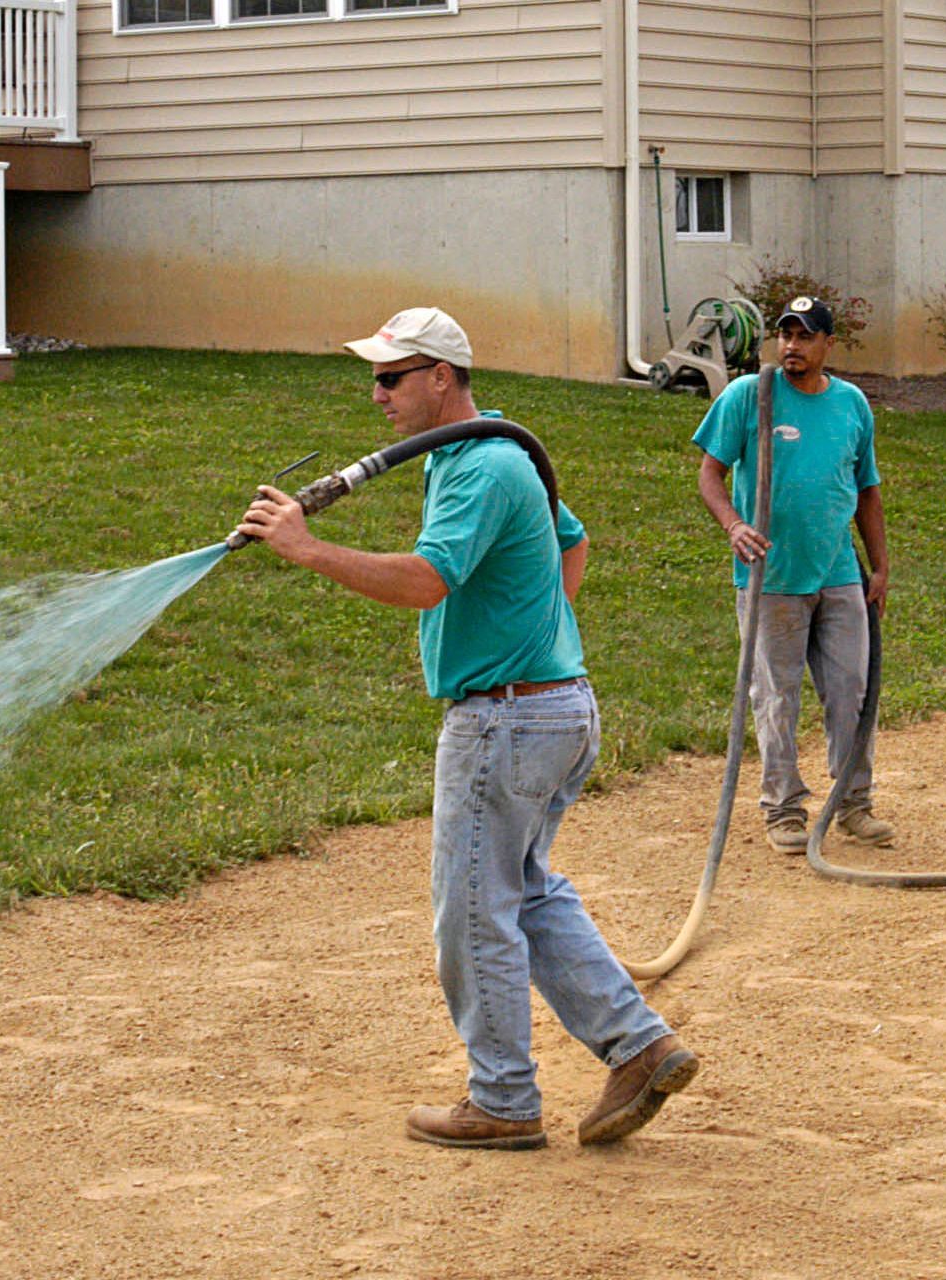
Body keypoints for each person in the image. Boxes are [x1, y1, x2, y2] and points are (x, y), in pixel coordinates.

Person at [238, 306, 698, 1150]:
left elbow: (424, 582)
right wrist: (536, 628)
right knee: (525, 893)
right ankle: (640, 1047)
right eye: (373, 377)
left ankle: (504, 1101)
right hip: (551, 708)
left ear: (440, 378)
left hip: (506, 721)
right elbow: (573, 541)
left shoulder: (483, 466)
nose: (376, 393)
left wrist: (307, 550)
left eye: (391, 377)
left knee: (474, 912)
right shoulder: (481, 456)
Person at [692, 295, 895, 855]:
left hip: (837, 573)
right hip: (771, 577)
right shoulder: (748, 397)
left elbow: (867, 490)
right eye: (785, 334)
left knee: (852, 690)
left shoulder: (852, 405)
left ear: (828, 345)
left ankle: (853, 804)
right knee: (775, 698)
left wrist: (879, 566)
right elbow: (711, 472)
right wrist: (733, 525)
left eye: (805, 336)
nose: (791, 346)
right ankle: (782, 809)